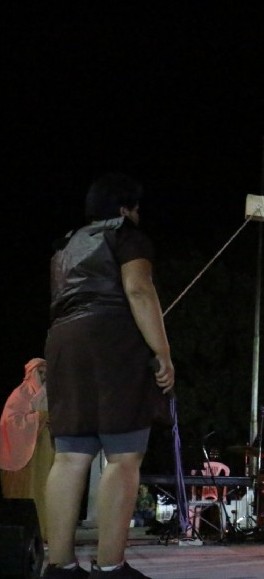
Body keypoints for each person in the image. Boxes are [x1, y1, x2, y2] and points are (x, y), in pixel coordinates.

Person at [42, 173, 175, 579]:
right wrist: (162, 351)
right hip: (112, 342)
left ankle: (59, 565)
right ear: (124, 208)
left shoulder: (65, 243)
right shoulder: (127, 235)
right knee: (123, 456)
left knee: (69, 456)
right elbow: (138, 289)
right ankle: (111, 565)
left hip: (63, 340)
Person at [0, 358, 55, 540]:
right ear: (32, 373)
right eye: (40, 372)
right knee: (30, 490)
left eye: (46, 372)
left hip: (46, 450)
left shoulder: (51, 393)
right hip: (27, 455)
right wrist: (38, 418)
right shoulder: (20, 394)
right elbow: (10, 422)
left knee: (47, 489)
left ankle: (47, 532)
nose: (44, 376)